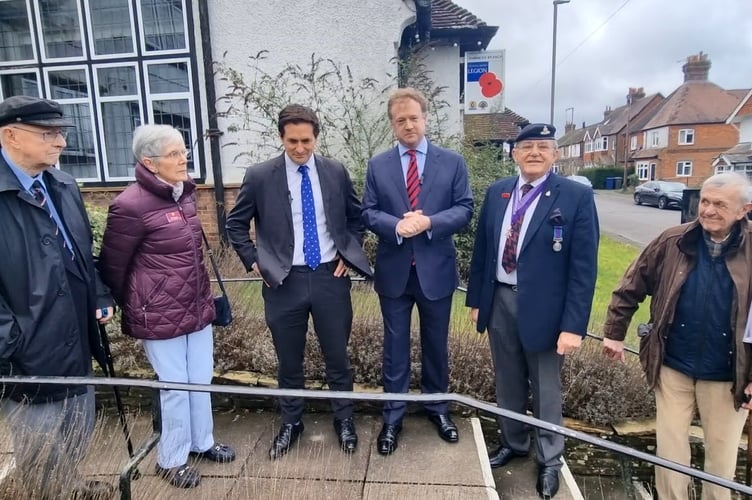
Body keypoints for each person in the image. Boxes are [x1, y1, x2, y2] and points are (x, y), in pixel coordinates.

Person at [226, 104, 372, 460]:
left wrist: (347, 254)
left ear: (316, 138)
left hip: (328, 277)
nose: (300, 148)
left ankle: (344, 419)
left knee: (338, 357)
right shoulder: (260, 176)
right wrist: (254, 260)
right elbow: (235, 224)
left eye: (306, 141)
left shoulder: (335, 171)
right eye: (292, 141)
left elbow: (357, 218)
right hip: (283, 282)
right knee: (288, 361)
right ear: (281, 137)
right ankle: (292, 423)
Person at [466, 123, 599, 499]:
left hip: (547, 310)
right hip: (500, 301)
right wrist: (477, 300)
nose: (535, 153)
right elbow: (483, 253)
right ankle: (513, 442)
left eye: (543, 147)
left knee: (545, 388)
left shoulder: (573, 196)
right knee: (507, 381)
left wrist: (574, 325)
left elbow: (584, 268)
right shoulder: (497, 193)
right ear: (514, 154)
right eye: (527, 147)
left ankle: (550, 459)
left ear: (555, 154)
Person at [99, 124, 235, 489]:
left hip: (196, 306)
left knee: (200, 380)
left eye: (183, 151)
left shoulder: (184, 195)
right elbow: (113, 265)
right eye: (174, 154)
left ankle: (201, 442)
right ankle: (171, 459)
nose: (183, 158)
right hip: (157, 312)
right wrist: (129, 302)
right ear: (150, 162)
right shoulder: (129, 205)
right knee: (175, 386)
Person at [603, 172, 752, 500]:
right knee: (670, 455)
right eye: (705, 202)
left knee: (722, 460)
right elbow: (630, 286)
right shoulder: (673, 240)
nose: (708, 210)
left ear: (744, 210)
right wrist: (614, 333)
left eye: (720, 205)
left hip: (728, 375)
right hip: (672, 364)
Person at [0, 95, 115, 499]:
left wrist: (100, 294)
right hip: (28, 353)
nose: (61, 142)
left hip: (77, 337)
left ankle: (72, 486)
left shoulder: (62, 185)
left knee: (76, 432)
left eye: (61, 132)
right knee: (41, 455)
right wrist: (11, 343)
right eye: (48, 134)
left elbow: (82, 253)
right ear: (10, 135)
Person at [361, 87, 473, 455]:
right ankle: (392, 417)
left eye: (414, 118)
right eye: (400, 120)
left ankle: (437, 408)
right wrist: (396, 225)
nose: (408, 125)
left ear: (425, 118)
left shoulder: (452, 162)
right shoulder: (378, 165)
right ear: (392, 125)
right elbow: (369, 212)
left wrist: (428, 222)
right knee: (394, 350)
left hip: (436, 272)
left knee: (436, 346)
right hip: (395, 272)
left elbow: (464, 209)